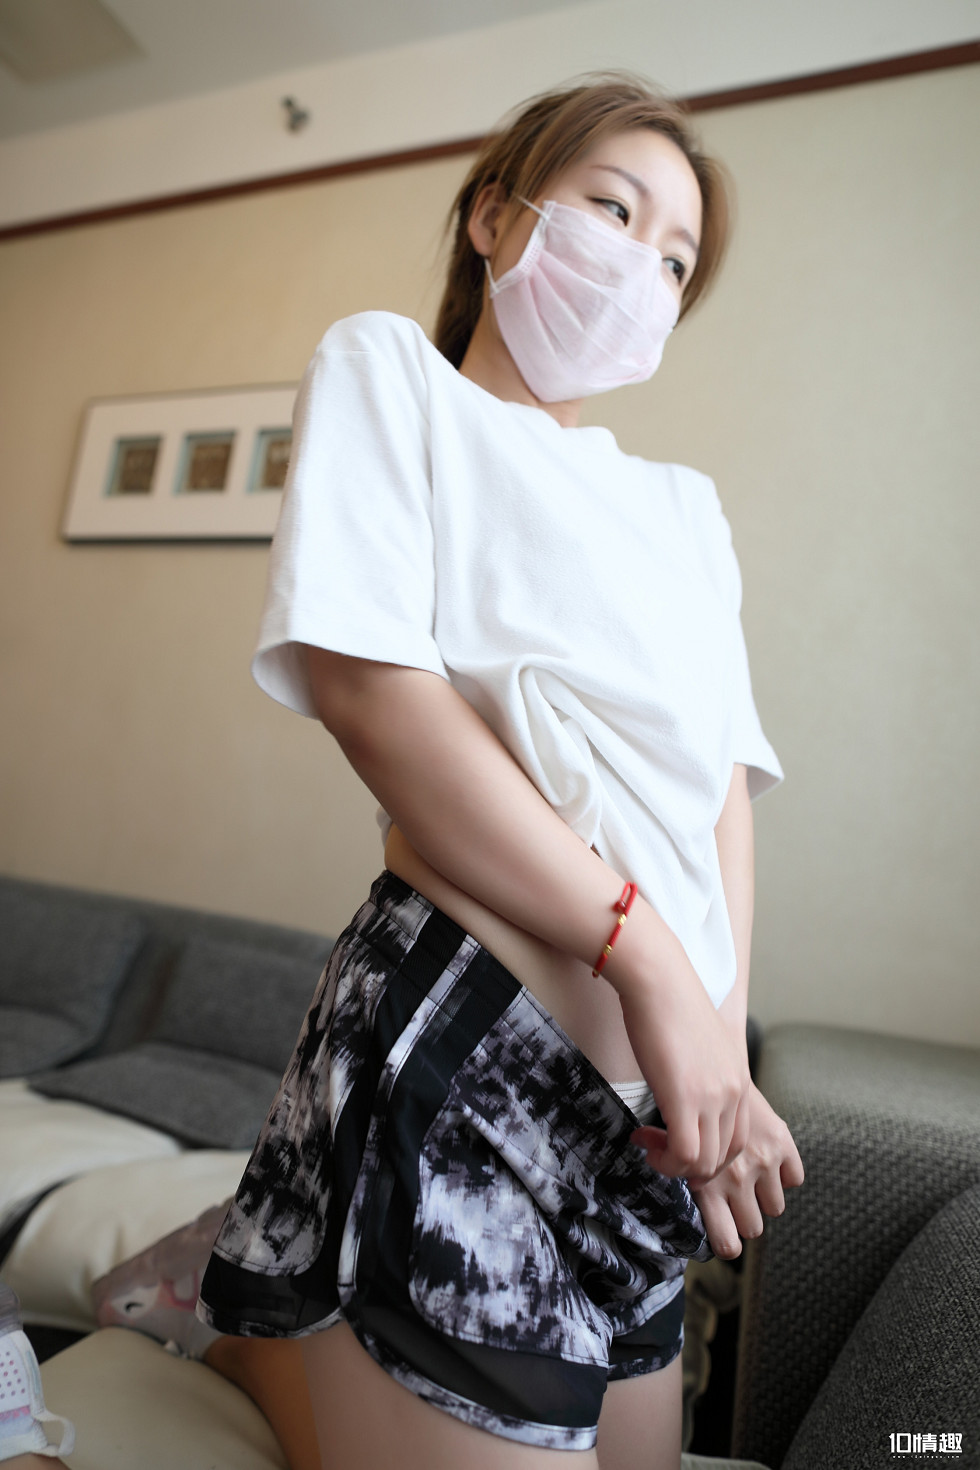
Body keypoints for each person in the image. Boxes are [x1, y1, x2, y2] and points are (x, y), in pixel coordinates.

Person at [1, 72, 803, 1470]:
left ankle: (251, 1303)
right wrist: (644, 958)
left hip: (640, 1114)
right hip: (467, 1038)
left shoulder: (686, 510)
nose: (645, 269)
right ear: (496, 216)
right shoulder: (395, 376)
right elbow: (374, 696)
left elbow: (717, 783)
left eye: (678, 260)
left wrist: (716, 1049)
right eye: (615, 211)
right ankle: (251, 1308)